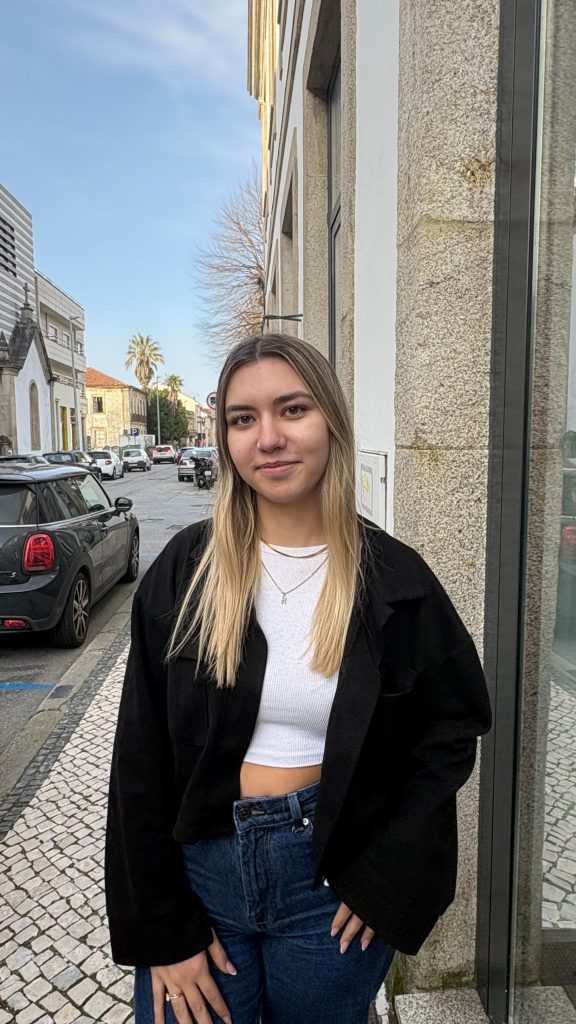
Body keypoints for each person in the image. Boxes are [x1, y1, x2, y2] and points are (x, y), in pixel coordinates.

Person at [105, 333, 491, 1024]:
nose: (269, 438)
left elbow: (450, 728)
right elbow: (140, 756)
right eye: (243, 419)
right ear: (225, 438)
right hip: (203, 874)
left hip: (332, 883)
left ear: (330, 420)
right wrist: (160, 929)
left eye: (293, 409)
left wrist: (387, 876)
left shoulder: (395, 579)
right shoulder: (186, 573)